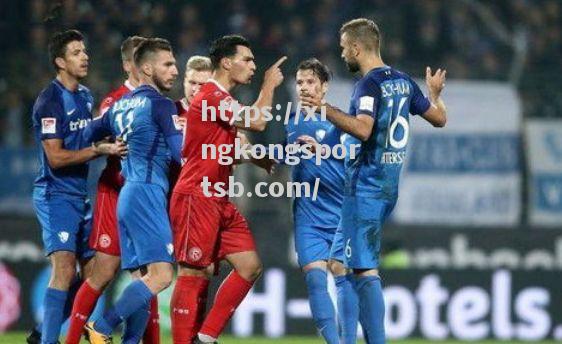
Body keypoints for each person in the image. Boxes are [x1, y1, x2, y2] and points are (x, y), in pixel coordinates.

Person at [301, 18, 447, 343]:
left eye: (343, 48)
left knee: (364, 270)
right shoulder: (404, 82)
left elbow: (363, 128)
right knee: (338, 263)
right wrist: (435, 95)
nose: (342, 55)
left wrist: (323, 109)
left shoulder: (368, 85)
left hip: (364, 189)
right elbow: (439, 118)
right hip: (384, 186)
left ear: (356, 47)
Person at [169, 34, 283, 343]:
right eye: (247, 59)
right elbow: (258, 122)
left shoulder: (222, 102)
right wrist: (269, 84)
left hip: (219, 198)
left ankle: (204, 338)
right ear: (226, 62)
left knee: (249, 266)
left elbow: (228, 147)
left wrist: (259, 161)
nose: (253, 65)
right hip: (197, 195)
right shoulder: (210, 96)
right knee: (193, 272)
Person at [65, 35, 165, 344]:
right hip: (116, 192)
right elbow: (87, 135)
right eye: (138, 58)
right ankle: (73, 338)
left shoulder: (158, 100)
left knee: (148, 276)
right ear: (128, 64)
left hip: (148, 195)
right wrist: (104, 147)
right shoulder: (116, 100)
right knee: (105, 271)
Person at [29, 29, 125, 344]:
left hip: (79, 196)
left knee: (96, 272)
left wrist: (110, 132)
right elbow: (55, 157)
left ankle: (45, 332)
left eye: (84, 51)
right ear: (60, 61)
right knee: (65, 267)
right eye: (75, 52)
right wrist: (98, 151)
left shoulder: (84, 95)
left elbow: (86, 135)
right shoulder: (50, 100)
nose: (85, 57)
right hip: (55, 194)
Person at [83, 37, 182, 344]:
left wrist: (104, 147)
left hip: (127, 196)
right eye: (168, 64)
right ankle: (101, 325)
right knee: (162, 275)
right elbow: (182, 155)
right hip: (148, 193)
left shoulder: (120, 105)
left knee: (142, 279)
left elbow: (87, 131)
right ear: (147, 68)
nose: (175, 71)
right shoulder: (160, 105)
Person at [286, 57, 363, 343]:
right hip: (308, 217)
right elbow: (283, 155)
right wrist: (254, 155)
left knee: (343, 275)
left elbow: (355, 161)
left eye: (310, 82)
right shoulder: (292, 123)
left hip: (340, 214)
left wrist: (324, 151)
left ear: (324, 87)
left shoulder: (342, 122)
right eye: (300, 83)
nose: (304, 88)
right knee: (316, 279)